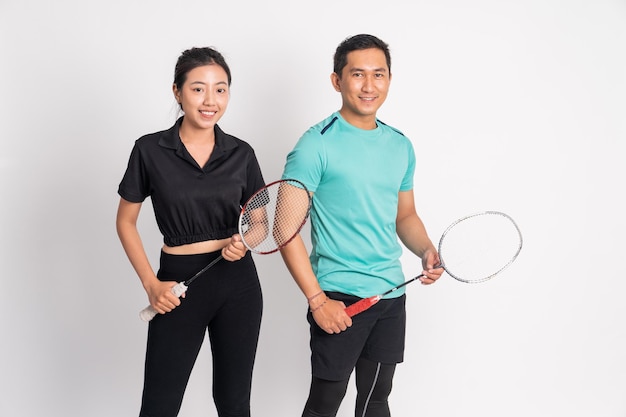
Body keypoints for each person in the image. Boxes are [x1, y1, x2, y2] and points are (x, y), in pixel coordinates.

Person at [279, 34, 445, 417]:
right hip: (340, 297)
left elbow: (404, 215)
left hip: (391, 294)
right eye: (357, 74)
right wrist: (318, 300)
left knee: (376, 399)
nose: (369, 86)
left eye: (378, 74)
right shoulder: (314, 145)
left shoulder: (400, 145)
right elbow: (284, 230)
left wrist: (425, 250)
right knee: (325, 404)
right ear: (337, 81)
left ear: (389, 79)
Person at [116, 46, 265, 417]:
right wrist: (152, 283)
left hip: (239, 285)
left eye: (221, 89)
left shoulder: (241, 154)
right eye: (198, 88)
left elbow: (261, 222)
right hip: (177, 284)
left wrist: (245, 242)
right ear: (177, 92)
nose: (210, 100)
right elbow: (125, 221)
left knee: (233, 403)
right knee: (159, 405)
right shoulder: (149, 150)